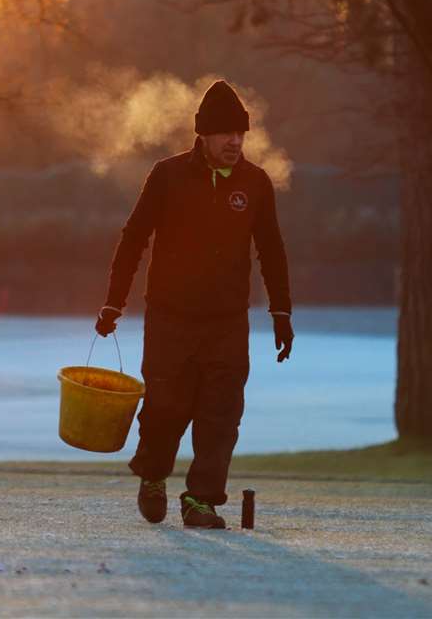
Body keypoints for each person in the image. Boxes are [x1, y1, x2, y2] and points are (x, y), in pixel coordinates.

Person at [95, 79, 293, 529]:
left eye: (241, 133)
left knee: (221, 414)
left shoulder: (256, 183)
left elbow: (272, 250)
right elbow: (134, 237)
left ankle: (201, 501)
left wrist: (281, 312)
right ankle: (153, 475)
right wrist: (114, 302)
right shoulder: (167, 176)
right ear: (203, 134)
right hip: (171, 317)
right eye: (225, 133)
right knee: (165, 406)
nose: (235, 142)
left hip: (227, 322)